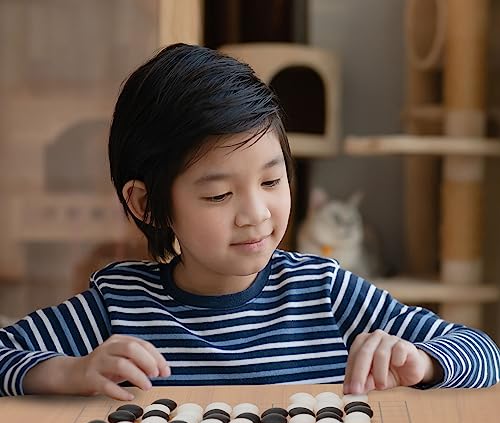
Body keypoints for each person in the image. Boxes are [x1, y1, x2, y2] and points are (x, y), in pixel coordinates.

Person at [0, 44, 499, 401]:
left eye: (271, 182)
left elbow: (482, 352)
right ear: (148, 204)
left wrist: (424, 361)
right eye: (219, 194)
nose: (256, 215)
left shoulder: (323, 290)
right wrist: (71, 372)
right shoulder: (120, 305)